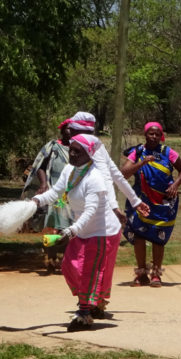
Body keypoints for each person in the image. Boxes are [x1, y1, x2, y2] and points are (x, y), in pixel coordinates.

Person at [32, 134, 121, 331]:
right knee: (69, 266)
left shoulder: (95, 177)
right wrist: (36, 201)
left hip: (100, 232)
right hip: (81, 231)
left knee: (88, 271)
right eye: (71, 149)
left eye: (77, 151)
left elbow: (90, 211)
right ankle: (90, 303)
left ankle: (84, 314)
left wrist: (71, 231)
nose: (71, 153)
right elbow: (55, 193)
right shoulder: (70, 170)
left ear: (88, 154)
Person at [121, 122, 181, 286]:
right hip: (140, 200)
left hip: (163, 201)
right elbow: (124, 173)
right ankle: (141, 273)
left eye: (157, 134)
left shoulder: (167, 152)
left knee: (159, 236)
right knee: (139, 235)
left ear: (161, 136)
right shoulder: (137, 152)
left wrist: (175, 185)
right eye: (151, 134)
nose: (154, 137)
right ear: (145, 134)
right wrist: (142, 163)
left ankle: (156, 274)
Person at [64, 111, 148, 224]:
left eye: (72, 130)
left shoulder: (93, 149)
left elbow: (107, 176)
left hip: (94, 209)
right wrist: (135, 201)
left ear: (79, 131)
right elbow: (117, 176)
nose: (69, 133)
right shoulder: (96, 146)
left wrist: (114, 207)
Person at [21, 120, 73, 273]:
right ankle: (50, 258)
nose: (70, 132)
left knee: (70, 226)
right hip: (55, 190)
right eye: (68, 129)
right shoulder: (53, 147)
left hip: (73, 192)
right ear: (62, 131)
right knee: (53, 225)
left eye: (73, 129)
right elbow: (40, 167)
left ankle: (65, 260)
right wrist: (44, 184)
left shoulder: (78, 147)